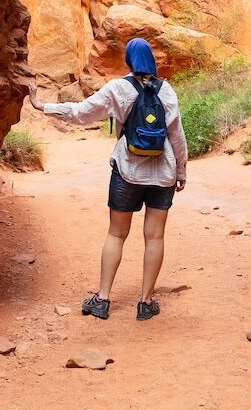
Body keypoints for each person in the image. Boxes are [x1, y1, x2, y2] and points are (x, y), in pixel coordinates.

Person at [28, 38, 188, 321]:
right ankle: (145, 302)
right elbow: (177, 135)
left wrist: (42, 106)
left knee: (116, 233)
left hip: (128, 171)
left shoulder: (118, 89)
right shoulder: (167, 91)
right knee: (155, 237)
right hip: (163, 174)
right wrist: (182, 172)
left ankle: (102, 299)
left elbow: (81, 113)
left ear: (128, 60)